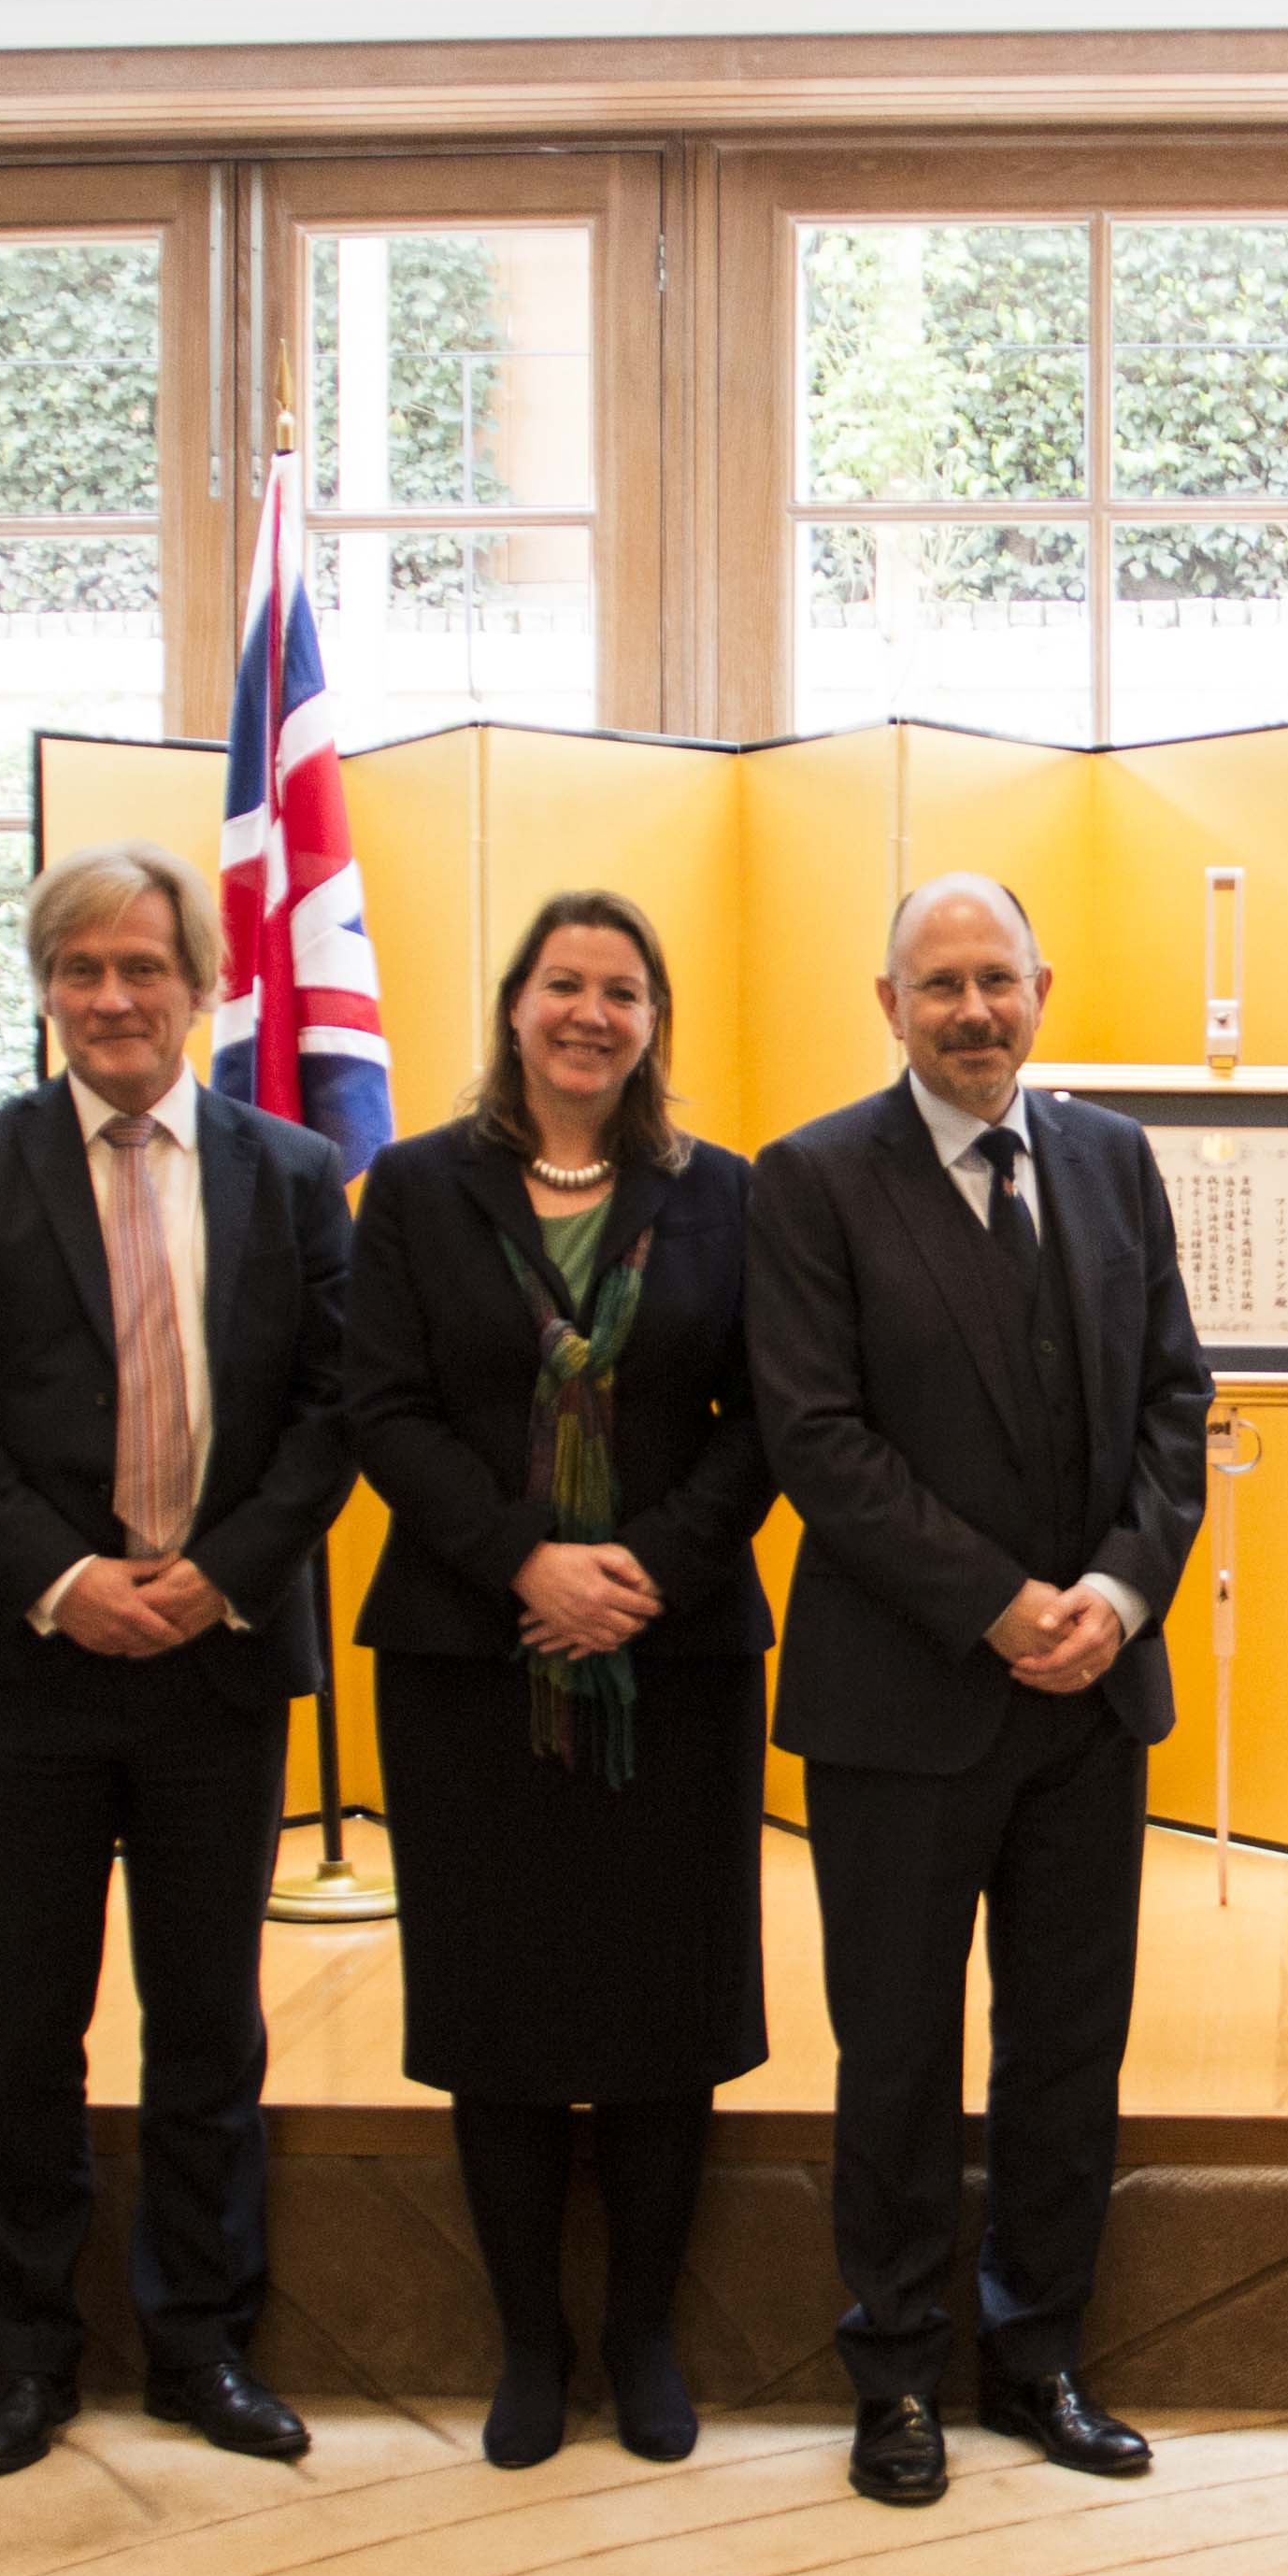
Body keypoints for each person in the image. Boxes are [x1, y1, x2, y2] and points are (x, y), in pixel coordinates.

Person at [0, 841, 358, 2479]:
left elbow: (330, 1410)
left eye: (142, 966)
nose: (111, 998)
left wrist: (214, 1575)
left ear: (200, 986)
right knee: (25, 2024)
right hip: (30, 1667)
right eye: (79, 969)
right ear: (44, 991)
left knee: (206, 2023)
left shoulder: (292, 1175)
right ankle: (23, 2358)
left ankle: (201, 2345)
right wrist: (68, 1578)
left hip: (214, 1660)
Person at [750, 874, 1213, 2507]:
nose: (973, 1009)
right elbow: (816, 1439)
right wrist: (997, 1603)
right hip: (902, 1700)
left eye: (997, 979)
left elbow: (1176, 1396)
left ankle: (1037, 2356)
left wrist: (1114, 1587)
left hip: (1090, 1693)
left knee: (1065, 2045)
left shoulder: (1111, 1159)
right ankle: (892, 2371)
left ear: (1041, 987)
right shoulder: (809, 1181)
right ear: (886, 1004)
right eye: (938, 983)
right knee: (894, 2050)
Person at [345, 892, 774, 2471]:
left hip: (678, 1658)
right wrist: (528, 1557)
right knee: (497, 1997)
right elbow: (383, 1407)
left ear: (654, 1020)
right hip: (473, 1654)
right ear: (514, 1004)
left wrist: (640, 1569)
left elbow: (765, 1412)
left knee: (663, 2000)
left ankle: (645, 2332)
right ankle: (530, 2341)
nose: (590, 1012)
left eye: (623, 989)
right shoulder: (410, 1187)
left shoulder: (725, 1194)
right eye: (562, 984)